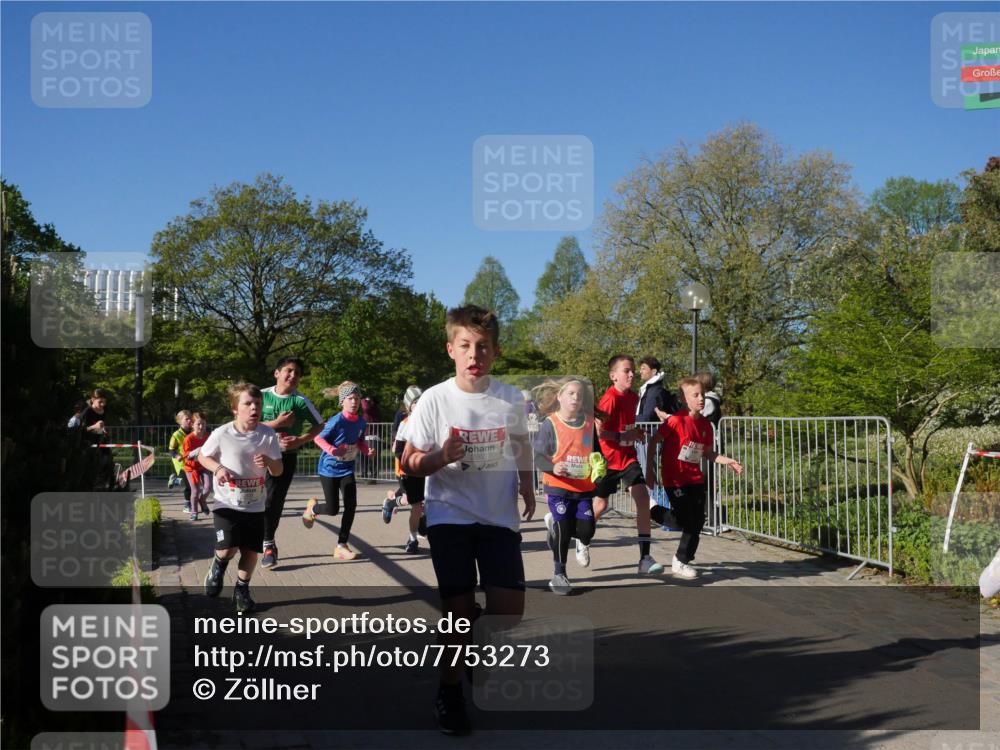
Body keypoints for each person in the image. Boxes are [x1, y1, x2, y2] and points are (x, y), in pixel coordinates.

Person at [401, 305, 534, 736]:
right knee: (457, 614)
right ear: (451, 350)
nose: (474, 354)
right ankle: (450, 692)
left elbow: (520, 446)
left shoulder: (511, 398)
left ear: (495, 352)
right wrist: (439, 457)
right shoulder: (434, 401)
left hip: (498, 518)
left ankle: (475, 643)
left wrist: (528, 486)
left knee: (509, 613)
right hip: (450, 517)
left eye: (483, 347)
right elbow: (409, 461)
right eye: (465, 346)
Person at [645, 377, 743, 579]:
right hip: (675, 479)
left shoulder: (706, 425)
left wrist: (728, 461)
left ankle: (681, 560)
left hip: (694, 478)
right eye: (695, 395)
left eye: (703, 395)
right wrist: (649, 470)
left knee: (697, 520)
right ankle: (653, 510)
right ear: (684, 399)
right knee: (685, 520)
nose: (701, 399)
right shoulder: (675, 421)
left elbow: (708, 453)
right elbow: (654, 441)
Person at [198, 383, 283, 613]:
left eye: (258, 404)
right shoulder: (223, 433)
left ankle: (241, 590)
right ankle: (218, 565)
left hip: (255, 504)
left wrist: (269, 462)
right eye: (248, 404)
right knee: (227, 549)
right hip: (226, 502)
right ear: (235, 408)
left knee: (250, 550)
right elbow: (203, 457)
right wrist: (217, 469)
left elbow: (278, 471)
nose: (254, 408)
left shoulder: (268, 434)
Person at [582, 355, 664, 575]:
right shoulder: (609, 399)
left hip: (628, 459)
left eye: (633, 371)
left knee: (642, 498)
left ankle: (644, 558)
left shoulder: (633, 397)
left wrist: (635, 433)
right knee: (600, 505)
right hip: (608, 460)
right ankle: (582, 537)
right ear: (613, 376)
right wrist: (623, 435)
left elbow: (626, 428)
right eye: (626, 371)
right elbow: (600, 433)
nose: (631, 374)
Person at [532, 378, 604, 595]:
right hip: (558, 487)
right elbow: (537, 456)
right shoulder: (550, 424)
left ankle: (555, 527)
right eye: (571, 393)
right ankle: (559, 574)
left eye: (579, 395)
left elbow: (597, 453)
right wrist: (554, 467)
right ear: (559, 397)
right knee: (564, 530)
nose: (575, 398)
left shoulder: (589, 424)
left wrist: (599, 468)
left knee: (587, 530)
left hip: (583, 489)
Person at [259, 357, 323, 569]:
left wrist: (301, 440)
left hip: (284, 457)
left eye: (297, 373)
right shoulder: (260, 395)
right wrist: (276, 424)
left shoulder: (300, 401)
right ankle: (250, 539)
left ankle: (269, 544)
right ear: (276, 373)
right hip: (255, 456)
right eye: (288, 371)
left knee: (272, 501)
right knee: (251, 499)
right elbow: (245, 423)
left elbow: (320, 425)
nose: (293, 376)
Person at [302, 382, 370, 560]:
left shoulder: (362, 422)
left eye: (357, 398)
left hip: (347, 470)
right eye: (350, 398)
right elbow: (318, 438)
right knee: (332, 509)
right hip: (329, 470)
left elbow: (359, 441)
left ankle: (341, 545)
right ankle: (313, 509)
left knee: (351, 505)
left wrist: (366, 449)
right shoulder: (336, 421)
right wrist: (333, 451)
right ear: (342, 402)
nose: (354, 402)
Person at [382, 385, 428, 553]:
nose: (420, 406)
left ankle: (422, 527)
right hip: (408, 471)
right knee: (414, 504)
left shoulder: (431, 421)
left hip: (428, 470)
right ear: (409, 406)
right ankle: (413, 538)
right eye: (416, 403)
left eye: (422, 402)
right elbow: (399, 452)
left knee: (428, 503)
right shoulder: (405, 424)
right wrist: (413, 460)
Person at [80, 389, 114, 490]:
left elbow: (102, 425)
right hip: (88, 442)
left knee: (107, 460)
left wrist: (104, 430)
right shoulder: (87, 411)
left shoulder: (104, 410)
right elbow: (82, 430)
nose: (103, 404)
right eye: (100, 402)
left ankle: (104, 483)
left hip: (101, 440)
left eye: (104, 402)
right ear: (93, 400)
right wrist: (94, 426)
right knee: (94, 463)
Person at [182, 413, 212, 521]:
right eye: (198, 424)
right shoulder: (188, 439)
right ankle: (194, 511)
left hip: (204, 466)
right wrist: (197, 452)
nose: (201, 427)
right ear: (192, 425)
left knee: (208, 488)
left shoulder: (208, 436)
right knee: (195, 491)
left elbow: (212, 450)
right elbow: (187, 456)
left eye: (203, 424)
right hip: (191, 468)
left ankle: (202, 500)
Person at [168, 411, 193, 506]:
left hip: (191, 461)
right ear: (179, 421)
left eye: (190, 418)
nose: (189, 420)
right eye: (187, 419)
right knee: (189, 484)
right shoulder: (176, 435)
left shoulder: (193, 432)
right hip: (181, 463)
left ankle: (175, 480)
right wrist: (177, 455)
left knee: (193, 481)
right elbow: (171, 450)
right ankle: (187, 504)